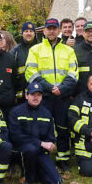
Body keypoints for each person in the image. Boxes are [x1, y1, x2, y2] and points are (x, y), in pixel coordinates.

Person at [25, 18, 78, 170]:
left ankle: (63, 159)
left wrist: (62, 88)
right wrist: (49, 88)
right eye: (49, 28)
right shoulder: (35, 50)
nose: (52, 31)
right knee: (41, 127)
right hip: (44, 96)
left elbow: (73, 72)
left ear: (59, 30)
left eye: (55, 28)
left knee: (63, 129)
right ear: (44, 31)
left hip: (62, 96)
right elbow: (31, 73)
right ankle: (42, 156)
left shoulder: (69, 50)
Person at [8, 81, 62, 184]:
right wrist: (40, 143)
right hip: (22, 150)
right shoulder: (16, 112)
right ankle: (28, 179)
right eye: (32, 94)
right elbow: (15, 136)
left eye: (38, 95)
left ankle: (37, 172)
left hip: (40, 151)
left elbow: (50, 137)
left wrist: (50, 144)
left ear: (42, 97)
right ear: (27, 95)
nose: (35, 98)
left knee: (56, 183)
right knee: (30, 149)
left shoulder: (46, 114)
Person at [10, 21, 37, 102]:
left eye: (31, 31)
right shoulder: (15, 51)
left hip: (38, 92)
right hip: (20, 95)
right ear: (22, 33)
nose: (29, 33)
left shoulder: (41, 49)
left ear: (34, 33)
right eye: (26, 31)